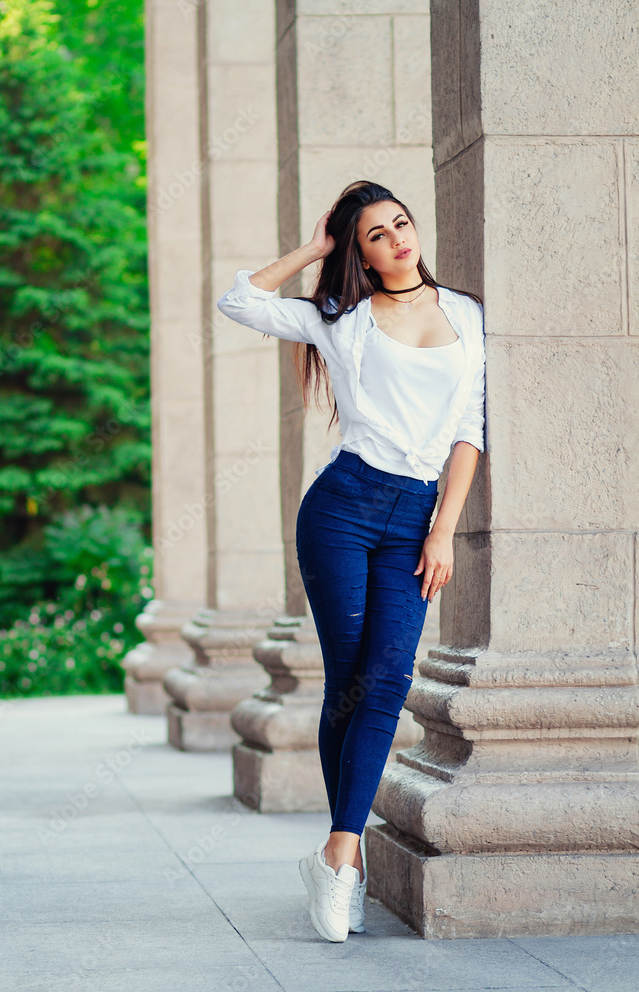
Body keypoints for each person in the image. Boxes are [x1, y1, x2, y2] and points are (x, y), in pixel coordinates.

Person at [217, 180, 486, 943]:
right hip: (340, 509)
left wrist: (444, 531)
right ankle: (348, 857)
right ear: (359, 254)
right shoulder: (344, 320)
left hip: (414, 521)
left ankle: (338, 852)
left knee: (388, 679)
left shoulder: (465, 314)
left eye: (402, 223)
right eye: (377, 234)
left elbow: (470, 428)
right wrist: (314, 249)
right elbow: (239, 300)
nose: (400, 239)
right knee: (350, 682)